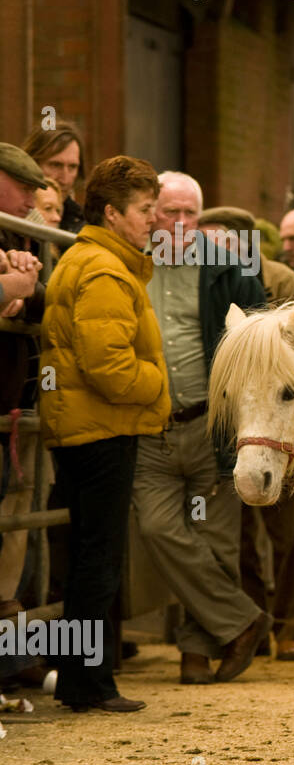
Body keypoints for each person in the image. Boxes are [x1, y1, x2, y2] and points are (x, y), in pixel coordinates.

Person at [39, 155, 171, 712]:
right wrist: (160, 385)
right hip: (101, 430)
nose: (154, 221)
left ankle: (84, 679)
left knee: (90, 558)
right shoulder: (104, 270)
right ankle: (89, 683)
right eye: (145, 210)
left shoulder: (95, 260)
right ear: (113, 213)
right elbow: (108, 365)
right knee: (98, 560)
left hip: (87, 426)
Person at [133, 172, 270, 686]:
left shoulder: (232, 267)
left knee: (216, 543)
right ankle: (244, 620)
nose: (181, 223)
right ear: (151, 213)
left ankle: (196, 653)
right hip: (149, 424)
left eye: (191, 213)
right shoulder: (133, 263)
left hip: (211, 423)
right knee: (157, 528)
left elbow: (260, 342)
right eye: (170, 212)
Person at [199, 206, 294, 662]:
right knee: (240, 532)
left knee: (288, 531)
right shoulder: (207, 281)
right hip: (238, 417)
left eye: (220, 240)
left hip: (280, 419)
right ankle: (254, 621)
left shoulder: (283, 283)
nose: (208, 248)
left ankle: (291, 627)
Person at [0, 145, 47, 641]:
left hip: (13, 399)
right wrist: (12, 285)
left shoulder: (17, 234)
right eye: (25, 188)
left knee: (14, 507)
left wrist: (22, 287)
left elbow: (40, 300)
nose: (31, 200)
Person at [21, 121, 86, 234]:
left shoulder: (81, 222)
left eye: (72, 167)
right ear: (33, 163)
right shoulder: (9, 213)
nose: (65, 179)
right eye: (55, 165)